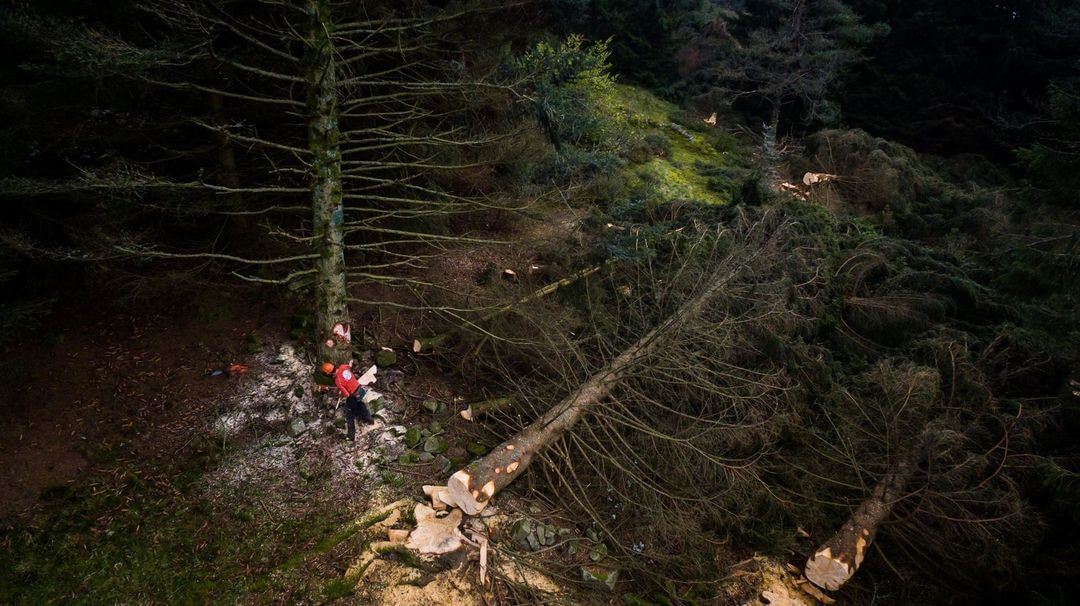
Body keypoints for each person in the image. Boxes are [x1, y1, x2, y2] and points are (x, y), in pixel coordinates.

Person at [321, 361, 374, 441]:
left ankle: (351, 435)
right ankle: (369, 419)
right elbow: (349, 365)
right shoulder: (343, 367)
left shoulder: (338, 381)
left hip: (352, 395)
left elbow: (346, 394)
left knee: (350, 415)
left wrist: (340, 394)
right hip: (359, 388)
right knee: (360, 404)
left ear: (328, 374)